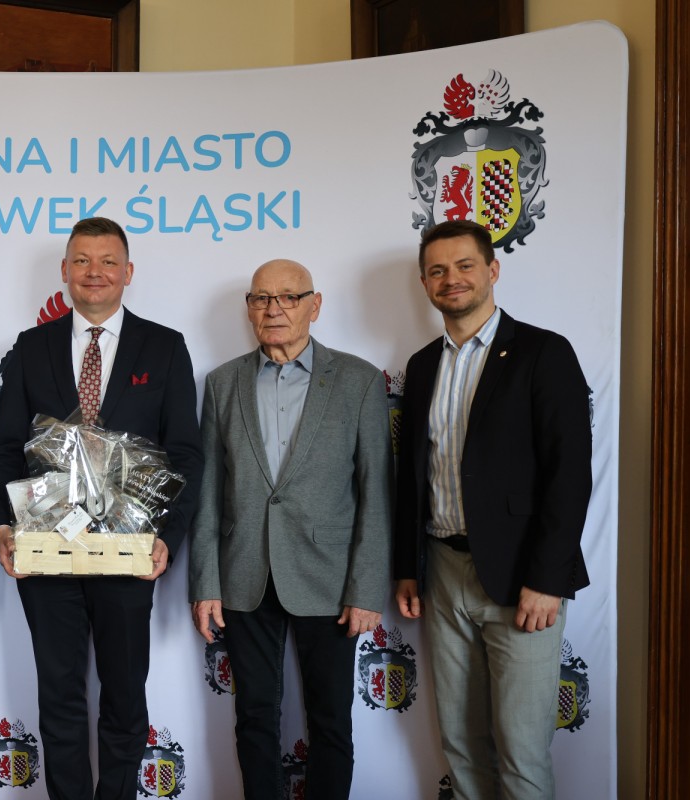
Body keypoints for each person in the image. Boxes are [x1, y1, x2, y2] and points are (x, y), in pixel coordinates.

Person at [0, 217, 203, 800]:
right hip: (45, 552)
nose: (94, 272)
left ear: (128, 272)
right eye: (82, 260)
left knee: (125, 696)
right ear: (64, 271)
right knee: (59, 696)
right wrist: (3, 527)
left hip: (130, 554)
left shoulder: (165, 346)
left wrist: (167, 536)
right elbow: (2, 450)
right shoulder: (31, 348)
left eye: (108, 261)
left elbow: (185, 454)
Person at [394, 220, 592, 800]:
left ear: (492, 270)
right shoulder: (422, 365)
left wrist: (547, 579)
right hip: (442, 571)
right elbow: (413, 477)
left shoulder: (544, 352)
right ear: (425, 283)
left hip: (522, 576)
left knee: (521, 748)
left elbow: (569, 475)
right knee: (460, 743)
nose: (451, 279)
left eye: (464, 266)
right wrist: (407, 567)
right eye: (437, 270)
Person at [188, 258, 392, 800]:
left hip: (330, 580)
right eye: (261, 298)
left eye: (288, 297)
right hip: (244, 575)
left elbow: (376, 494)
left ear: (314, 305)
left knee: (330, 720)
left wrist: (367, 588)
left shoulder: (360, 381)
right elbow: (207, 492)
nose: (274, 308)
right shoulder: (222, 383)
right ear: (249, 308)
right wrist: (205, 581)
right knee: (254, 716)